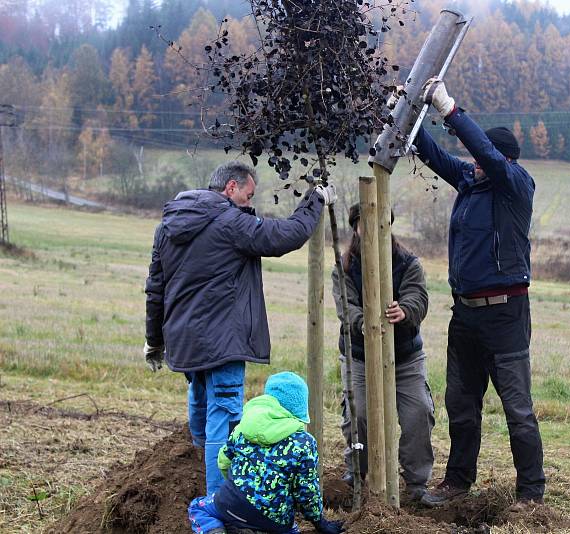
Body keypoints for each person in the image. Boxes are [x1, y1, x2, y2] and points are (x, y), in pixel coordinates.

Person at [143, 161, 336, 495]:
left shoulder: (169, 226)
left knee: (200, 401)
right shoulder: (230, 222)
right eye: (248, 197)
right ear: (230, 189)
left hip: (186, 341)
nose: (250, 205)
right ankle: (220, 504)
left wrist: (153, 341)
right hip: (224, 341)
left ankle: (200, 485)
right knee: (225, 418)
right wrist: (315, 200)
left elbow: (155, 288)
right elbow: (285, 235)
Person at [411, 78, 546, 507]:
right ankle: (456, 482)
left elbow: (485, 152)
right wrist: (408, 118)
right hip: (465, 314)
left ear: (503, 159)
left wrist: (450, 110)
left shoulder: (516, 185)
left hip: (506, 314)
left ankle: (530, 494)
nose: (474, 160)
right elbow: (434, 156)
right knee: (461, 403)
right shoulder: (471, 182)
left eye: (484, 155)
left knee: (518, 410)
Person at [331, 203, 434, 501]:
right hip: (360, 357)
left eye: (381, 223)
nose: (375, 230)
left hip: (405, 357)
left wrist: (405, 310)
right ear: (356, 228)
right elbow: (346, 307)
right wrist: (364, 324)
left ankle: (416, 484)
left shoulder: (407, 262)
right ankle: (357, 473)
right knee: (359, 412)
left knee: (419, 412)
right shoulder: (345, 267)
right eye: (367, 224)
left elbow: (418, 296)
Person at [188, 371, 345, 534]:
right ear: (300, 407)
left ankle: (217, 530)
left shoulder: (242, 427)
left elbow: (223, 460)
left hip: (231, 505)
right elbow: (307, 490)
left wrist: (235, 487)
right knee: (291, 529)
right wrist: (319, 522)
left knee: (197, 508)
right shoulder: (304, 442)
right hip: (276, 520)